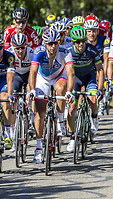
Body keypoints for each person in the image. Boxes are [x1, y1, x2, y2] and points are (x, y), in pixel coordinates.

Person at [28, 28, 75, 164]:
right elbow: (33, 72)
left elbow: (71, 73)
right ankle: (38, 148)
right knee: (40, 112)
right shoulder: (38, 52)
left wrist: (69, 91)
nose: (53, 46)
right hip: (43, 79)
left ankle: (60, 120)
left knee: (61, 89)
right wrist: (32, 90)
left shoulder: (65, 52)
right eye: (49, 43)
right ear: (44, 43)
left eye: (55, 43)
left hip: (59, 76)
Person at [66, 26, 104, 152]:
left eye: (83, 41)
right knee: (72, 109)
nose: (81, 44)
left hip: (90, 78)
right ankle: (72, 138)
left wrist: (100, 88)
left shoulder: (92, 50)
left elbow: (100, 70)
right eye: (77, 41)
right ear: (73, 41)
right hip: (75, 79)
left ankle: (94, 117)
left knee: (92, 99)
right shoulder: (69, 52)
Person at [7, 33, 35, 139]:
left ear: (26, 45)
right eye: (17, 48)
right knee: (13, 99)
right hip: (16, 75)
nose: (20, 50)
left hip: (29, 74)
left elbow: (35, 71)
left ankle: (32, 119)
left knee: (31, 92)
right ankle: (13, 127)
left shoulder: (32, 53)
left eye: (22, 47)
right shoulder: (9, 53)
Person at [84, 19, 111, 117]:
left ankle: (102, 102)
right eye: (89, 31)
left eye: (94, 31)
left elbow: (106, 58)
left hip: (101, 64)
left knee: (101, 76)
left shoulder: (104, 40)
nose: (91, 34)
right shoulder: (82, 42)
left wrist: (106, 75)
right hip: (88, 65)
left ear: (97, 31)